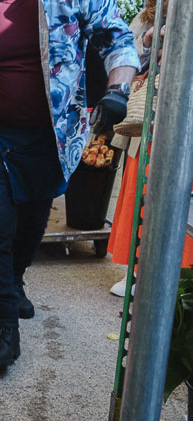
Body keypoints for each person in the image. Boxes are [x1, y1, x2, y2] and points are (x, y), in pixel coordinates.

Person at [0, 0, 139, 373]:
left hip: (49, 137)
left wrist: (118, 90)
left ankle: (14, 279)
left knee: (31, 224)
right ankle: (4, 331)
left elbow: (117, 38)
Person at [108, 0, 193, 297]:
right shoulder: (144, 21)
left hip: (185, 124)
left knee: (183, 203)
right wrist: (148, 43)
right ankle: (134, 271)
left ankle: (183, 278)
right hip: (149, 123)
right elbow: (125, 62)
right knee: (138, 195)